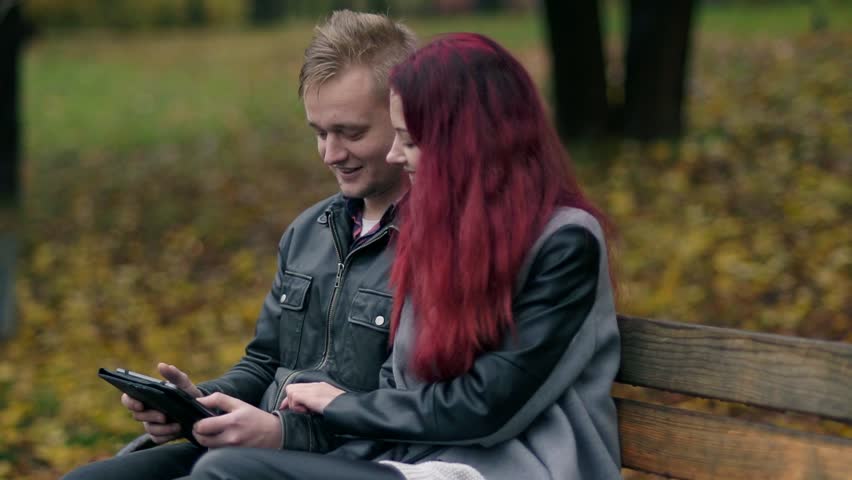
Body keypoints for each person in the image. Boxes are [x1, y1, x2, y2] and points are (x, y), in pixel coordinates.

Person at [183, 32, 622, 480]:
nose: (396, 155)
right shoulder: (438, 233)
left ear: (464, 145)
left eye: (408, 140)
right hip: (413, 460)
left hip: (515, 467)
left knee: (227, 474)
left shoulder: (564, 242)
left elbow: (488, 406)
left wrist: (340, 407)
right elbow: (401, 384)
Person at [62, 10, 417, 480]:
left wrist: (280, 433)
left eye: (351, 133)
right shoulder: (310, 231)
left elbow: (406, 410)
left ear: (403, 117)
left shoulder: (434, 245)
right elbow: (265, 362)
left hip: (342, 462)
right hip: (255, 446)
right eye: (319, 133)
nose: (331, 154)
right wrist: (197, 405)